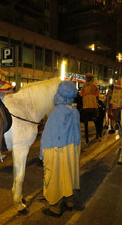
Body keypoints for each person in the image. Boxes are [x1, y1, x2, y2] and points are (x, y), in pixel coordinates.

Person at [40, 81, 81, 217]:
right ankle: (69, 200)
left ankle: (54, 205)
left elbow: (48, 135)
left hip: (56, 149)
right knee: (68, 174)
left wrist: (42, 153)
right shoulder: (74, 111)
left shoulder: (56, 113)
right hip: (71, 149)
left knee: (55, 176)